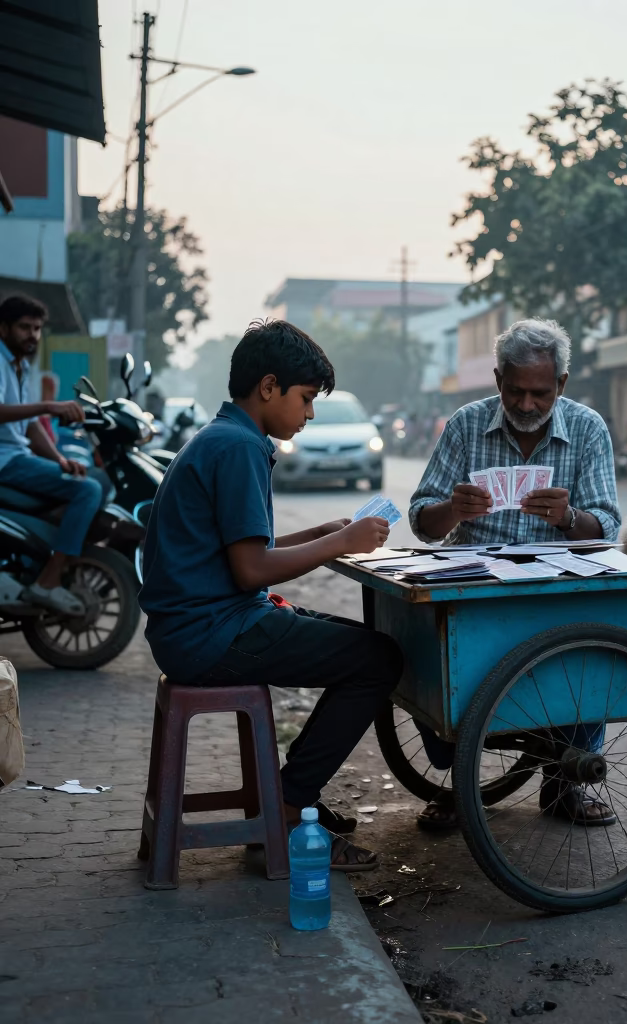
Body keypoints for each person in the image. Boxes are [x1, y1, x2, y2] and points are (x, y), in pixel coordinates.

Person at [138, 319, 403, 872]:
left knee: (362, 644)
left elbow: (242, 546)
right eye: (305, 399)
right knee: (380, 661)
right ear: (268, 387)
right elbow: (250, 569)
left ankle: (288, 797)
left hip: (197, 625)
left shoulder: (223, 437)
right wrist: (342, 542)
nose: (308, 414)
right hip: (210, 634)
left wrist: (324, 536)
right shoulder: (239, 448)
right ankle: (284, 810)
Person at [408, 318, 621, 830]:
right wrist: (452, 511)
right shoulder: (464, 424)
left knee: (596, 638)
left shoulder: (588, 428)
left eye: (540, 394)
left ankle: (565, 780)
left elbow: (607, 527)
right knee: (432, 657)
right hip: (476, 591)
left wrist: (570, 519)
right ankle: (460, 779)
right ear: (499, 379)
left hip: (557, 593)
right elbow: (422, 520)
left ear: (561, 386)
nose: (527, 405)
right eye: (516, 391)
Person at [0, 295, 103, 614]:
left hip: (17, 457)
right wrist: (49, 405)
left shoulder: (20, 365)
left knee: (82, 475)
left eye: (37, 328)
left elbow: (30, 426)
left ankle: (32, 562)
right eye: (24, 327)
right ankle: (48, 581)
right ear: (4, 328)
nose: (32, 335)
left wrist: (59, 459)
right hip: (5, 462)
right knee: (88, 489)